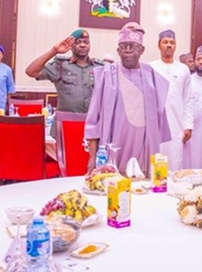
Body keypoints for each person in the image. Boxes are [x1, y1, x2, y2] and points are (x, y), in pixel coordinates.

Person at [84, 25, 171, 175]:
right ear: (118, 51)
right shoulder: (106, 75)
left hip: (143, 146)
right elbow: (94, 119)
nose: (128, 49)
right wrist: (93, 156)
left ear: (142, 50)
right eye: (124, 46)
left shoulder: (151, 76)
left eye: (133, 46)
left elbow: (159, 116)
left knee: (143, 188)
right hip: (114, 145)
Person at [24, 29, 103, 136]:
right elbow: (31, 71)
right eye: (78, 42)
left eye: (86, 42)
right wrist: (54, 50)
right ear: (70, 46)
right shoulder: (60, 65)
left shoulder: (99, 68)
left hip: (91, 127)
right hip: (64, 127)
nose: (83, 45)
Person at [149, 29, 193, 171]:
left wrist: (188, 125)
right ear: (159, 45)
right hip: (155, 123)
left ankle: (173, 191)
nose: (169, 45)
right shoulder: (150, 67)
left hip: (177, 123)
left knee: (175, 160)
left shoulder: (183, 69)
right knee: (155, 159)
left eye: (172, 43)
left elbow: (188, 99)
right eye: (165, 42)